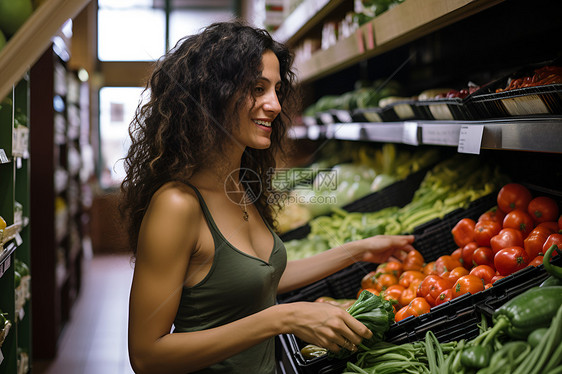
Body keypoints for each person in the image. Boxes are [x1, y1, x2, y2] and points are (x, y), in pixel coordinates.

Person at [120, 20, 415, 374]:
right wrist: (283, 317)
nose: (274, 105)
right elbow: (147, 355)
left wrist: (359, 251)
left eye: (276, 89)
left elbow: (258, 279)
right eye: (257, 88)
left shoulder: (241, 184)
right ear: (213, 94)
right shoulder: (177, 204)